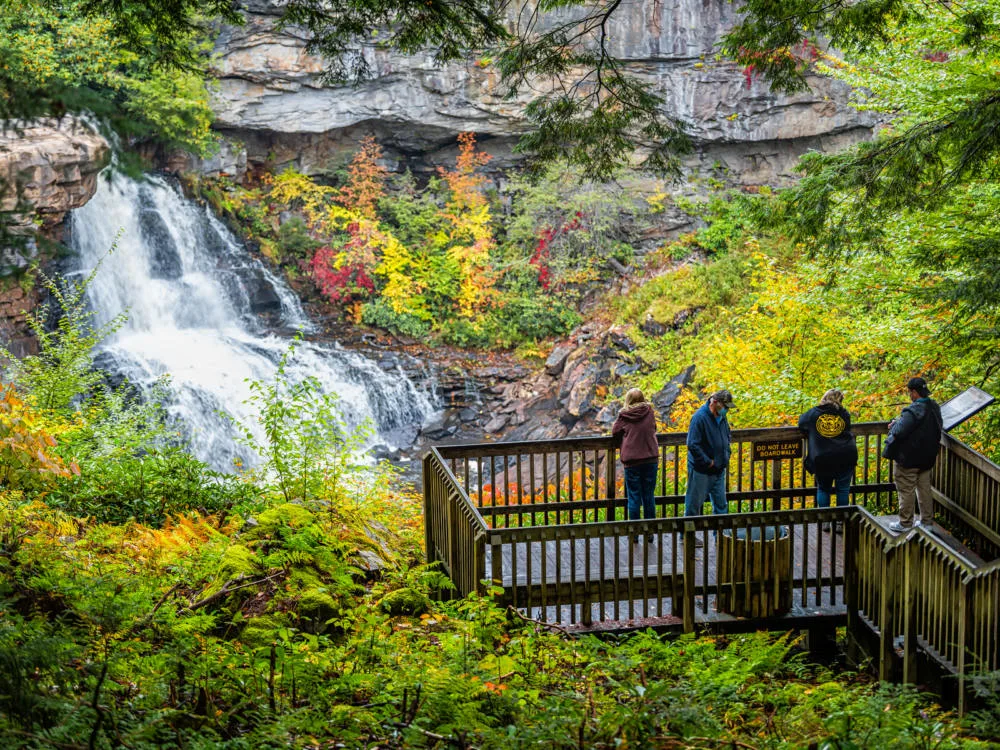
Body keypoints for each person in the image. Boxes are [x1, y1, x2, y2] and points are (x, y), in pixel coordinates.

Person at [883, 377, 943, 533]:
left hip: (908, 458)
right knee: (924, 489)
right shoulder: (934, 407)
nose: (909, 395)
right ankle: (927, 523)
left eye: (909, 392)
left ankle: (905, 523)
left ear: (915, 392)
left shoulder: (913, 410)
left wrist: (895, 423)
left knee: (906, 490)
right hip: (927, 457)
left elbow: (898, 431)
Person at [798, 389, 859, 531]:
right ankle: (840, 522)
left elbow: (801, 423)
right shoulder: (844, 414)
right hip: (845, 456)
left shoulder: (813, 414)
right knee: (843, 490)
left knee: (823, 489)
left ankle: (825, 521)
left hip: (822, 458)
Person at [612, 388, 660, 544]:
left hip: (632, 461)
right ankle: (650, 532)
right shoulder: (649, 411)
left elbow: (615, 432)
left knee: (633, 497)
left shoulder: (624, 415)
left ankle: (634, 533)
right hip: (650, 459)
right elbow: (654, 428)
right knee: (648, 496)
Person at [685, 389, 734, 532]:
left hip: (719, 469)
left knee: (721, 506)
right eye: (725, 407)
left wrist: (726, 453)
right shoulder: (699, 418)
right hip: (702, 470)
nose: (726, 410)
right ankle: (687, 536)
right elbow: (692, 444)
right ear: (715, 402)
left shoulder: (722, 418)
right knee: (694, 505)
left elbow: (726, 435)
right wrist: (708, 461)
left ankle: (722, 537)